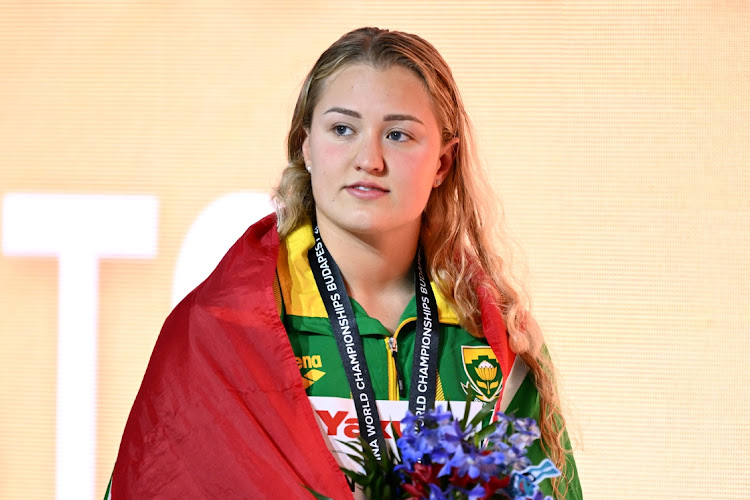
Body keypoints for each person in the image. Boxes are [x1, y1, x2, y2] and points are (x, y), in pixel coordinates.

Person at [108, 27, 582, 499]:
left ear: (442, 162)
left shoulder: (495, 335)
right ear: (306, 146)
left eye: (398, 135)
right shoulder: (218, 331)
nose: (369, 159)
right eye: (342, 129)